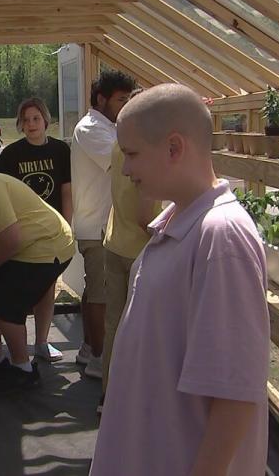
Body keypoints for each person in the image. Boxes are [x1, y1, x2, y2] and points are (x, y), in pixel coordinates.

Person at [91, 84, 269, 476]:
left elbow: (234, 394)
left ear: (173, 148)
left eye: (132, 154)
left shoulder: (221, 239)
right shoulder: (179, 226)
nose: (125, 169)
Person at [0, 173, 74, 395]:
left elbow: (12, 239)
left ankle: (24, 370)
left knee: (6, 307)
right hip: (20, 249)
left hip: (48, 244)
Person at [0, 97, 72, 362]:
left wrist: (67, 226)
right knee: (17, 287)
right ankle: (13, 349)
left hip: (51, 232)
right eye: (26, 120)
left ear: (46, 120)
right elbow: (1, 194)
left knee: (47, 287)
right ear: (20, 124)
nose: (31, 124)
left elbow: (66, 192)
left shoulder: (61, 151)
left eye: (36, 118)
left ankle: (41, 342)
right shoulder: (11, 155)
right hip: (20, 232)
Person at [70, 69, 135, 378]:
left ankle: (88, 348)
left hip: (98, 224)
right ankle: (99, 357)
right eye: (122, 99)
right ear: (101, 99)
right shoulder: (92, 129)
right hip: (96, 226)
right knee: (101, 296)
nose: (126, 105)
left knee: (94, 291)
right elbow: (122, 165)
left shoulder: (105, 127)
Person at [99, 121, 160, 412]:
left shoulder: (117, 147)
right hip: (139, 250)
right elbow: (146, 216)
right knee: (142, 331)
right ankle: (132, 402)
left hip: (115, 242)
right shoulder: (147, 153)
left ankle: (108, 395)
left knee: (114, 325)